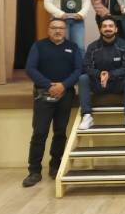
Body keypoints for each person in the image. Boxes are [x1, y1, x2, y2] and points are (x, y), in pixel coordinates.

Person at [22, 19, 82, 187]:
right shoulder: (39, 46)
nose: (58, 31)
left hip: (66, 93)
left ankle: (55, 166)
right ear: (48, 30)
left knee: (60, 131)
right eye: (54, 28)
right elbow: (30, 69)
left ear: (65, 31)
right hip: (43, 93)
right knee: (40, 132)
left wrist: (63, 85)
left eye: (61, 28)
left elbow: (78, 70)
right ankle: (34, 171)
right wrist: (49, 85)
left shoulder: (73, 47)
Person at [77, 16, 125, 130]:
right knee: (83, 78)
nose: (107, 28)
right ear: (100, 29)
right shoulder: (93, 47)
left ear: (116, 29)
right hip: (98, 84)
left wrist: (110, 75)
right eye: (104, 26)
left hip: (117, 84)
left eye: (110, 26)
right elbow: (86, 66)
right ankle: (87, 116)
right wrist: (99, 74)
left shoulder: (124, 45)